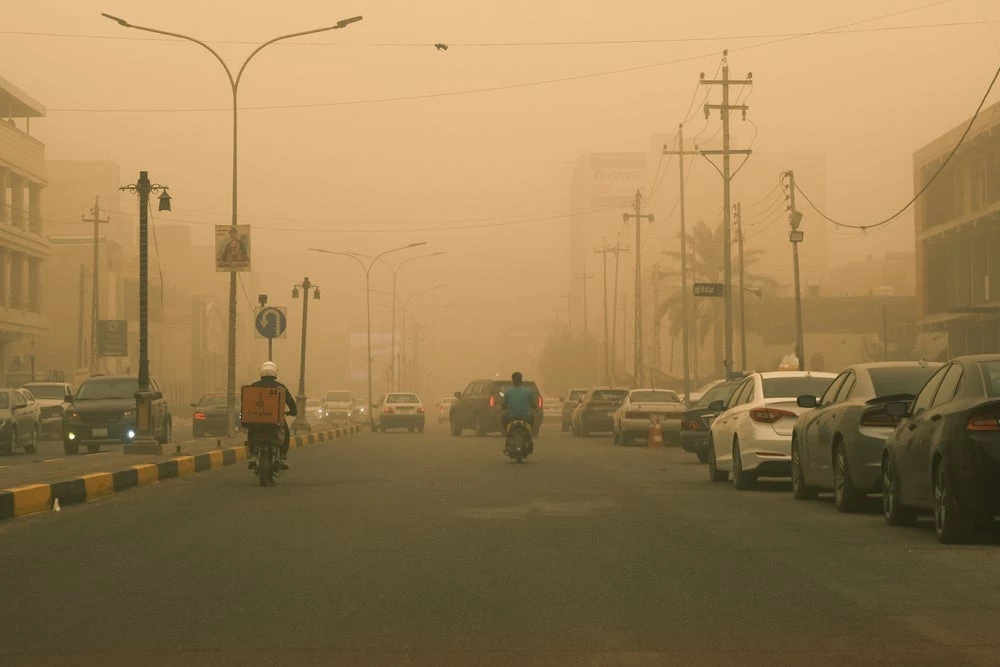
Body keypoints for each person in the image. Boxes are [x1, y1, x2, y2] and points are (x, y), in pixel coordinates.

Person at [245, 360, 297, 471]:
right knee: (285, 433)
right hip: (276, 420)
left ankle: (254, 455)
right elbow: (290, 402)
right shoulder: (280, 387)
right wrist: (293, 411)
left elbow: (247, 403)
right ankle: (282, 456)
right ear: (275, 372)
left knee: (251, 432)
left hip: (257, 419)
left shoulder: (254, 387)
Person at [501, 371, 535, 437]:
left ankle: (507, 434)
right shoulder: (528, 392)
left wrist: (504, 407)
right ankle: (529, 434)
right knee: (532, 417)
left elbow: (504, 405)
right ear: (521, 380)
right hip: (525, 417)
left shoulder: (508, 392)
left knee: (503, 417)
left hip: (512, 417)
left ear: (512, 381)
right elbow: (533, 404)